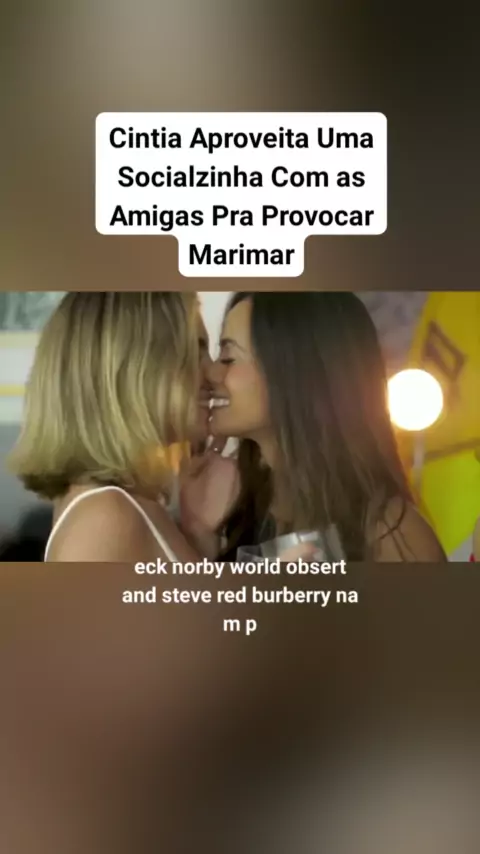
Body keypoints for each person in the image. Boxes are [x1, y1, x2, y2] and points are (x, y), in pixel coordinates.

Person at [205, 292, 446, 562]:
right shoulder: (233, 509)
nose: (211, 373)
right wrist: (198, 534)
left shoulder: (391, 535)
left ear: (296, 371)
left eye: (228, 357)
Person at [8, 291, 238, 563]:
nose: (214, 373)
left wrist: (199, 535)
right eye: (194, 351)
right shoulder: (104, 521)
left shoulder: (133, 507)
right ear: (131, 370)